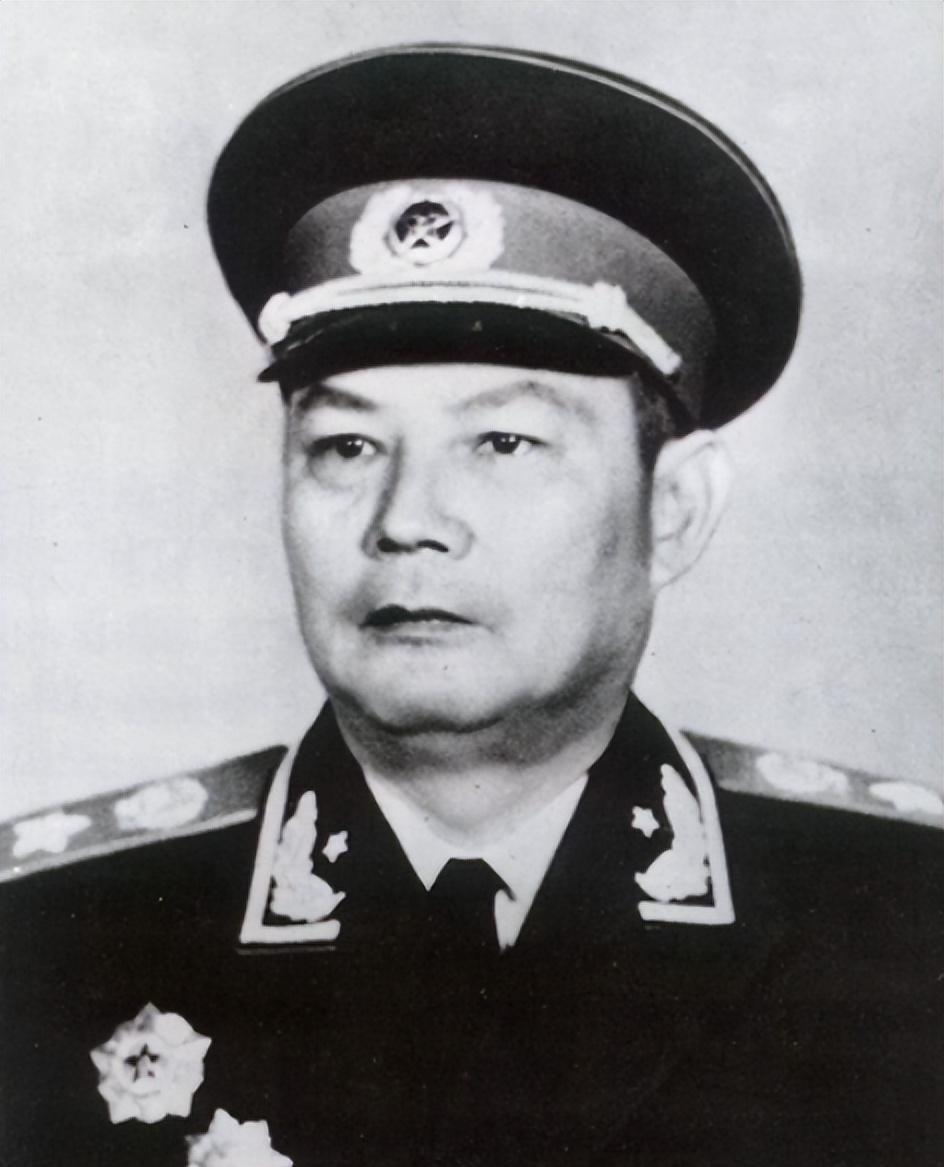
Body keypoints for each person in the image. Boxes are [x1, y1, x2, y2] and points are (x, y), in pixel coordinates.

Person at [1, 44, 941, 1167]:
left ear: (675, 509)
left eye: (503, 442)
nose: (408, 520)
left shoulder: (901, 918)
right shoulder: (51, 935)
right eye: (346, 446)